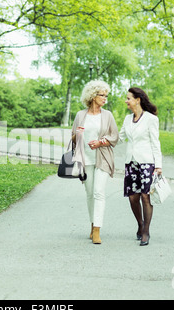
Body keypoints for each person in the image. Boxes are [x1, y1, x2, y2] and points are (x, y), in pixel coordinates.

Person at [71, 80, 119, 244]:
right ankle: (92, 225)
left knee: (99, 192)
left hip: (103, 158)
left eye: (106, 95)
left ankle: (97, 229)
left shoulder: (108, 115)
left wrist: (101, 142)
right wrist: (77, 134)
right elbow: (73, 139)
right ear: (92, 96)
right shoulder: (80, 115)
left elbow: (115, 137)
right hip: (86, 160)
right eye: (102, 95)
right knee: (90, 194)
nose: (105, 98)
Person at [118, 87, 162, 246]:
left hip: (147, 162)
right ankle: (140, 223)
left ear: (138, 100)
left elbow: (155, 142)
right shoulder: (127, 119)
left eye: (129, 98)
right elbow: (120, 138)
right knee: (133, 197)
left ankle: (146, 231)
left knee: (145, 195)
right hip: (131, 162)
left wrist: (158, 165)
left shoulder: (151, 119)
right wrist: (103, 141)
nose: (126, 101)